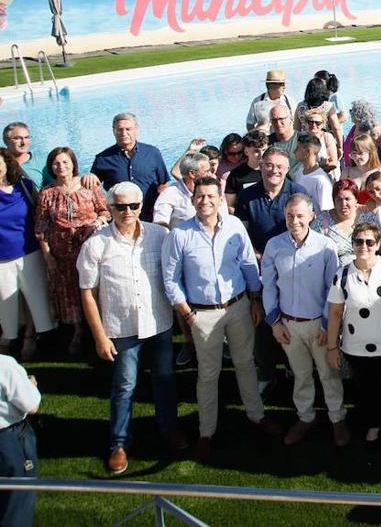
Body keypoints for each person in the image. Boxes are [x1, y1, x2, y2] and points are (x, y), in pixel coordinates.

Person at [163, 177, 280, 459]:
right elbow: (170, 279)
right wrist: (186, 313)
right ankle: (206, 431)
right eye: (200, 196)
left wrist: (255, 299)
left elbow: (249, 265)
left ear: (219, 199)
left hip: (239, 306)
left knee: (245, 364)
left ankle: (256, 415)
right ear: (193, 200)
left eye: (210, 196)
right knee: (208, 374)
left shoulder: (235, 226)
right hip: (202, 314)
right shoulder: (180, 234)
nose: (205, 201)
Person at [77, 181, 182, 473]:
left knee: (165, 380)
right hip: (121, 329)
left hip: (158, 323)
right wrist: (99, 336)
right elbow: (87, 291)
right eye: (120, 206)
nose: (127, 211)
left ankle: (169, 428)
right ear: (110, 208)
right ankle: (119, 443)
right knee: (124, 386)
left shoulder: (160, 236)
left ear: (141, 207)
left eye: (133, 206)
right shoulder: (95, 244)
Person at [261, 194, 346, 447]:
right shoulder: (274, 246)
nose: (295, 221)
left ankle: (337, 418)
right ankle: (306, 417)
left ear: (311, 216)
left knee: (329, 374)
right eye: (290, 215)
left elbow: (333, 289)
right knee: (300, 375)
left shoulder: (325, 246)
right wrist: (274, 322)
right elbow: (268, 287)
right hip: (288, 326)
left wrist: (326, 325)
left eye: (300, 215)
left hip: (318, 326)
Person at [325, 221, 381, 444]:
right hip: (355, 346)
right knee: (367, 390)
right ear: (352, 244)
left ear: (378, 244)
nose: (364, 246)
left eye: (369, 242)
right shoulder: (342, 274)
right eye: (358, 241)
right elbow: (334, 313)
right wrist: (332, 348)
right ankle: (373, 424)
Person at [35, 146, 108, 355]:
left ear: (73, 163)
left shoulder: (88, 186)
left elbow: (105, 210)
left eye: (65, 162)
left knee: (95, 288)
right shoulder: (47, 193)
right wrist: (48, 256)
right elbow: (41, 227)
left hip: (89, 248)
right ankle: (78, 330)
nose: (61, 166)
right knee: (71, 292)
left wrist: (97, 222)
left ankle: (101, 329)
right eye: (57, 163)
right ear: (51, 167)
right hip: (62, 253)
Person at [0, 150, 52, 360]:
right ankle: (9, 339)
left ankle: (37, 338)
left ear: (6, 164)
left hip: (30, 252)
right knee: (6, 303)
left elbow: (41, 214)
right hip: (1, 259)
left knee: (38, 300)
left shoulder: (25, 187)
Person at [89, 113, 170, 222]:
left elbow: (163, 184)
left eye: (128, 129)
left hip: (150, 216)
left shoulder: (152, 153)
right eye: (119, 129)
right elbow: (93, 189)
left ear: (136, 130)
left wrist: (162, 212)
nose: (124, 133)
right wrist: (89, 177)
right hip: (120, 218)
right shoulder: (103, 158)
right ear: (113, 131)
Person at [0, 349, 39, 525]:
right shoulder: (5, 365)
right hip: (9, 442)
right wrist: (30, 385)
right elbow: (30, 405)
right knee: (16, 506)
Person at [315, 179, 373, 265]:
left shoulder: (367, 217)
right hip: (337, 274)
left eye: (347, 199)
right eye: (339, 199)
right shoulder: (322, 221)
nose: (343, 204)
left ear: (356, 199)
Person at [153, 151, 211, 230]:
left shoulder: (212, 190)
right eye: (206, 171)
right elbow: (160, 223)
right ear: (192, 174)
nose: (210, 174)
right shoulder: (170, 194)